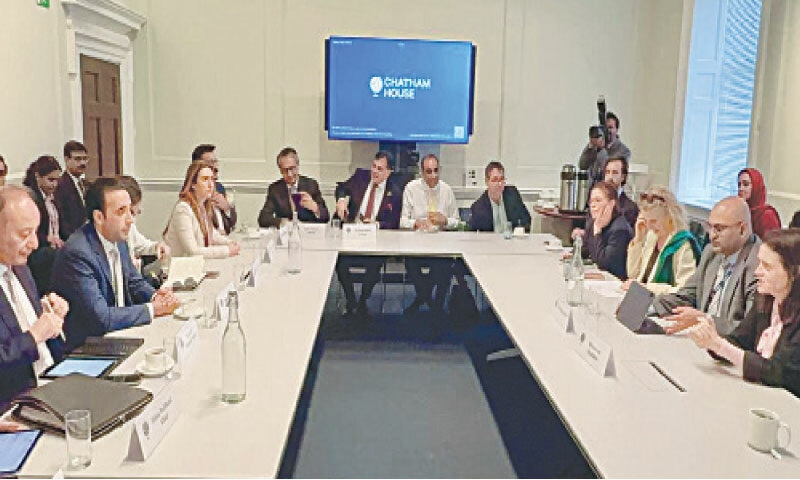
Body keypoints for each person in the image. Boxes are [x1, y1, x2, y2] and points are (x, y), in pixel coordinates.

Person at [51, 177, 180, 351]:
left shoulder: (117, 238)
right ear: (99, 217)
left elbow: (134, 282)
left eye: (130, 211)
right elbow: (101, 318)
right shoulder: (78, 253)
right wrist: (153, 309)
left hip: (120, 334)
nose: (130, 220)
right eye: (121, 211)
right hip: (90, 348)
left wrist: (156, 297)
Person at [688, 228, 800, 398]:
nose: (757, 272)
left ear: (794, 273)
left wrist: (720, 345)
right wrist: (711, 340)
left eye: (767, 267)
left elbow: (779, 372)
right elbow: (740, 340)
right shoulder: (766, 299)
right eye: (759, 263)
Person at [653, 197, 760, 335]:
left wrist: (702, 319)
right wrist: (649, 306)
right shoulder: (712, 252)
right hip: (703, 338)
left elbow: (749, 330)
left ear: (742, 229)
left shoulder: (758, 265)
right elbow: (686, 296)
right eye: (710, 227)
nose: (711, 235)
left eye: (719, 229)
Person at [0, 186, 68, 405]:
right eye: (23, 234)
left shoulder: (20, 267)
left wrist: (50, 315)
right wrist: (34, 335)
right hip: (15, 402)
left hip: (51, 382)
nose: (34, 244)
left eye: (35, 232)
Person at [334, 152, 403, 318]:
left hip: (374, 241)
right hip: (352, 234)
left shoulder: (394, 193)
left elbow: (394, 224)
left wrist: (377, 224)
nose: (375, 172)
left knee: (375, 262)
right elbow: (341, 187)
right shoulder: (361, 177)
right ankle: (351, 299)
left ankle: (363, 300)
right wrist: (341, 199)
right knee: (339, 260)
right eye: (374, 166)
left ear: (388, 172)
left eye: (380, 169)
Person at [400, 154, 459, 314]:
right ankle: (431, 304)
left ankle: (432, 304)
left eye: (435, 171)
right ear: (422, 172)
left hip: (441, 245)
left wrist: (445, 220)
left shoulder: (446, 190)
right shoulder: (411, 189)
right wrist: (415, 223)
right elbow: (402, 221)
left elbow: (457, 222)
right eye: (428, 171)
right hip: (416, 244)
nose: (433, 175)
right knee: (410, 264)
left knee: (444, 267)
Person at [624, 186, 701, 294]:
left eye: (654, 221)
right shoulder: (652, 236)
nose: (649, 226)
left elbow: (685, 291)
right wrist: (638, 239)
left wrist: (649, 288)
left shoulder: (683, 245)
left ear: (670, 217)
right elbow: (633, 274)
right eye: (646, 221)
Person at [163, 161, 240, 259]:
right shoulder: (183, 209)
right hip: (175, 269)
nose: (210, 185)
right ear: (193, 184)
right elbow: (192, 251)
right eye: (205, 179)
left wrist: (229, 242)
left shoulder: (202, 206)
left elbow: (212, 235)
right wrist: (227, 251)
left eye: (212, 180)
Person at [257, 147, 329, 228]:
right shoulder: (275, 189)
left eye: (292, 168)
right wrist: (283, 222)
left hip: (308, 235)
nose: (290, 174)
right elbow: (263, 218)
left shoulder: (311, 185)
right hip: (286, 236)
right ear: (280, 170)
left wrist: (315, 208)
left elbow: (326, 217)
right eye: (285, 170)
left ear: (297, 165)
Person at [22, 156, 64, 294]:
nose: (54, 185)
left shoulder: (54, 198)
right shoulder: (32, 199)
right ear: (38, 177)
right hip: (39, 253)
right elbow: (29, 231)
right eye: (50, 180)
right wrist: (48, 239)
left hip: (53, 250)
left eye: (57, 180)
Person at [575, 181, 632, 279]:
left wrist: (597, 230)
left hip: (616, 284)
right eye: (591, 201)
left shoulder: (619, 229)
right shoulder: (594, 222)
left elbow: (604, 264)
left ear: (611, 204)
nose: (593, 205)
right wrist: (573, 254)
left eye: (598, 200)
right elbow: (585, 249)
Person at [118, 175, 169, 270]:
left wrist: (157, 246)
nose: (131, 220)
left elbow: (143, 245)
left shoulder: (130, 229)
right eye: (131, 212)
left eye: (133, 213)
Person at [469, 161, 531, 232]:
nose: (499, 184)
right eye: (495, 180)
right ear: (487, 181)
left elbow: (527, 220)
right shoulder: (478, 208)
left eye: (502, 179)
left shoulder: (512, 194)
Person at [191, 144, 237, 234]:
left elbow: (231, 222)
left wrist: (227, 208)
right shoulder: (193, 193)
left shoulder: (219, 188)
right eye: (210, 163)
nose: (215, 167)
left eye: (215, 162)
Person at [54, 140, 89, 240]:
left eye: (85, 159)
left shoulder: (86, 185)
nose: (82, 163)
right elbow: (63, 221)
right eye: (77, 159)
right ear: (66, 160)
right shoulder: (60, 186)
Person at [738, 168, 781, 239]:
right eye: (739, 185)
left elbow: (772, 246)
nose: (741, 189)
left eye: (746, 184)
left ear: (756, 186)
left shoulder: (767, 215)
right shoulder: (741, 211)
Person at [603, 156, 638, 229]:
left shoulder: (631, 208)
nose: (610, 177)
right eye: (607, 172)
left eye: (615, 173)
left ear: (623, 176)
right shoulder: (596, 202)